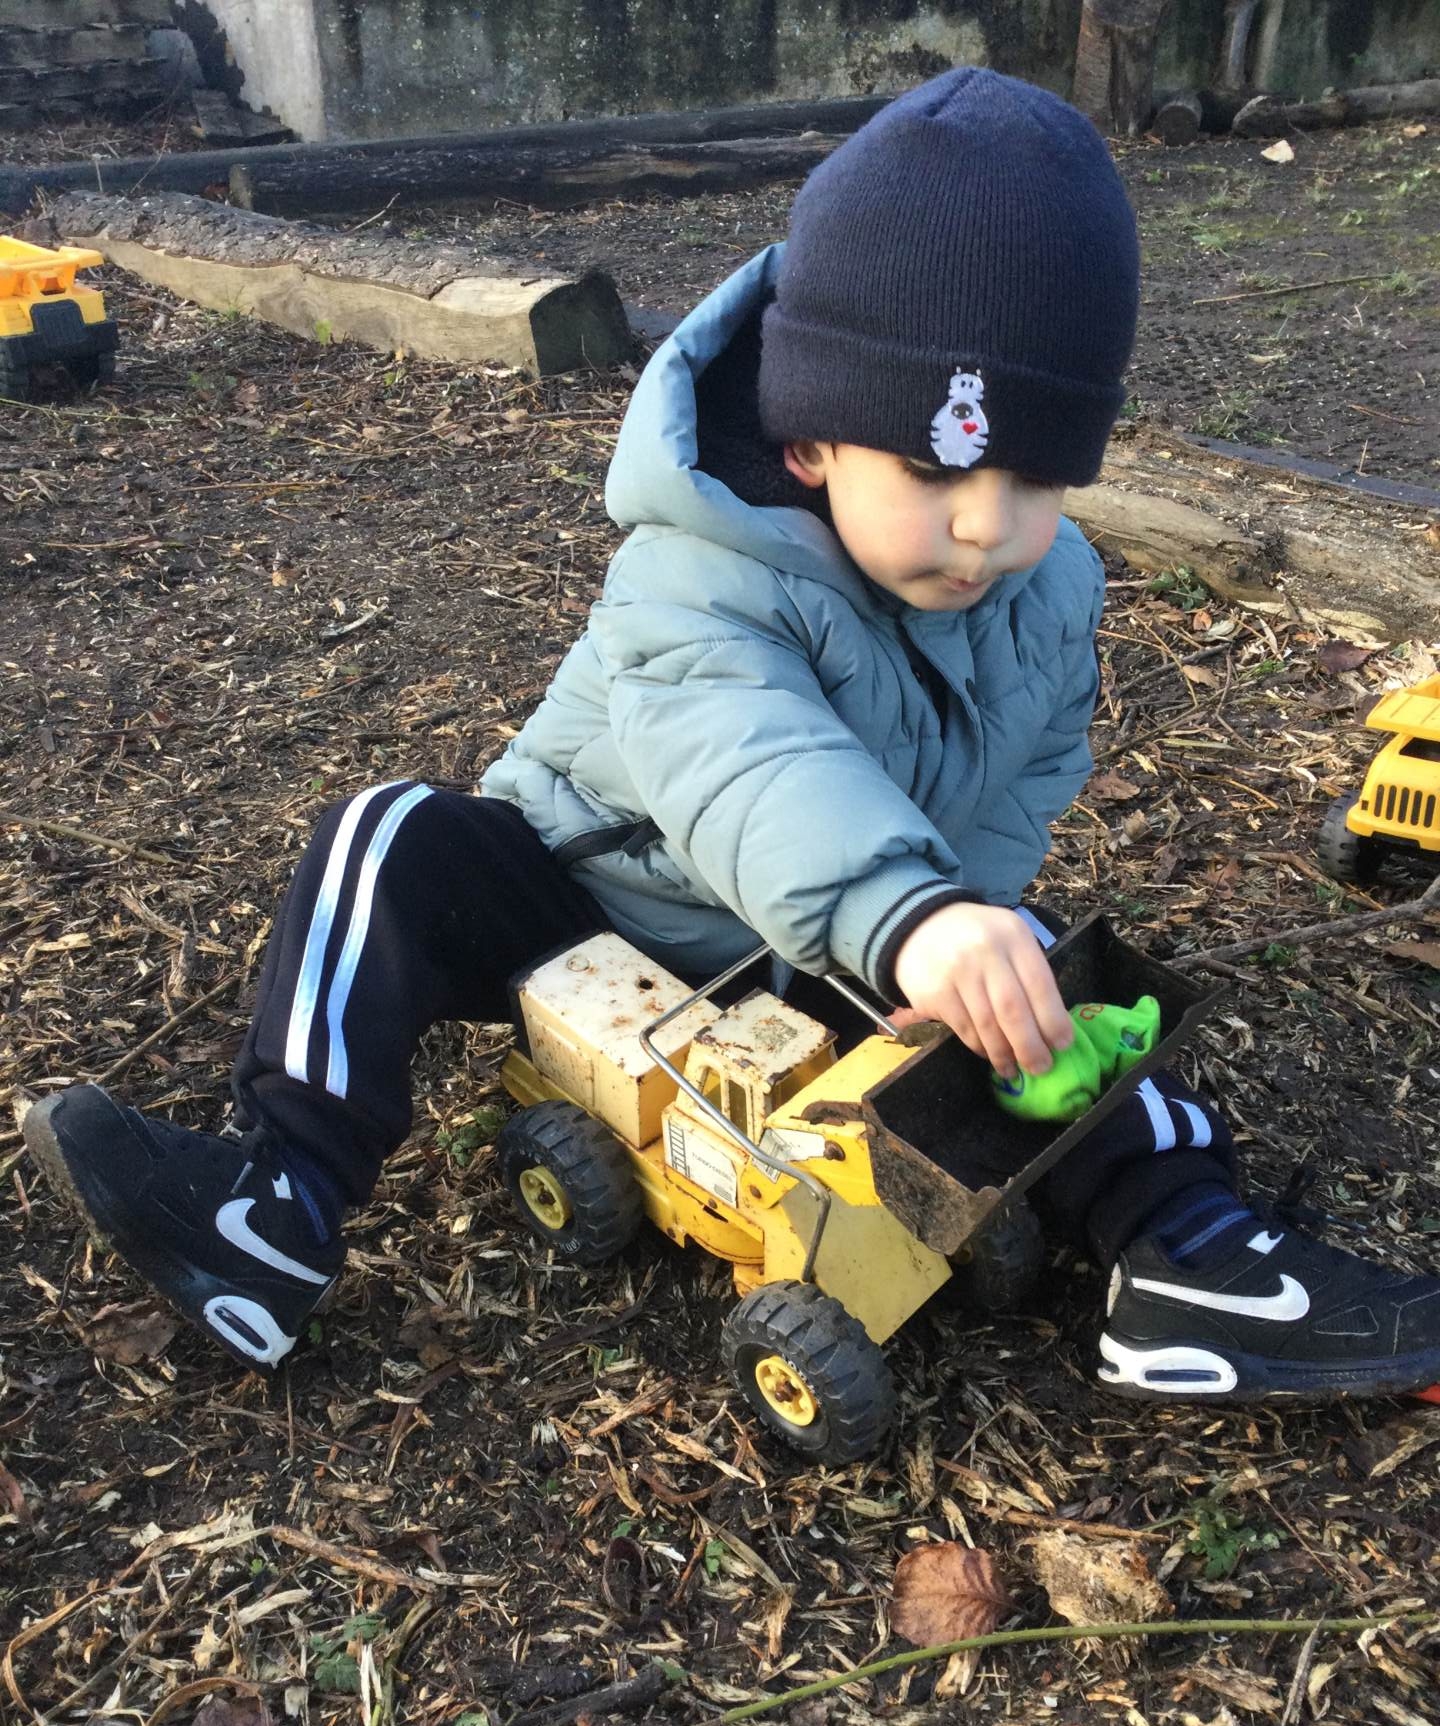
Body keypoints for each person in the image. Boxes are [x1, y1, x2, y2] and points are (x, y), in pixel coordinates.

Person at [23, 68, 1440, 1406]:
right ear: (812, 436)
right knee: (386, 840)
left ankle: (1193, 1255)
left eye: (1041, 477)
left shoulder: (1048, 589)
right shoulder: (697, 566)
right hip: (598, 893)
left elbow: (1023, 784)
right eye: (938, 466)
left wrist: (964, 926)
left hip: (826, 946)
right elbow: (749, 764)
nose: (986, 527)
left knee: (1052, 978)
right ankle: (277, 1205)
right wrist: (912, 917)